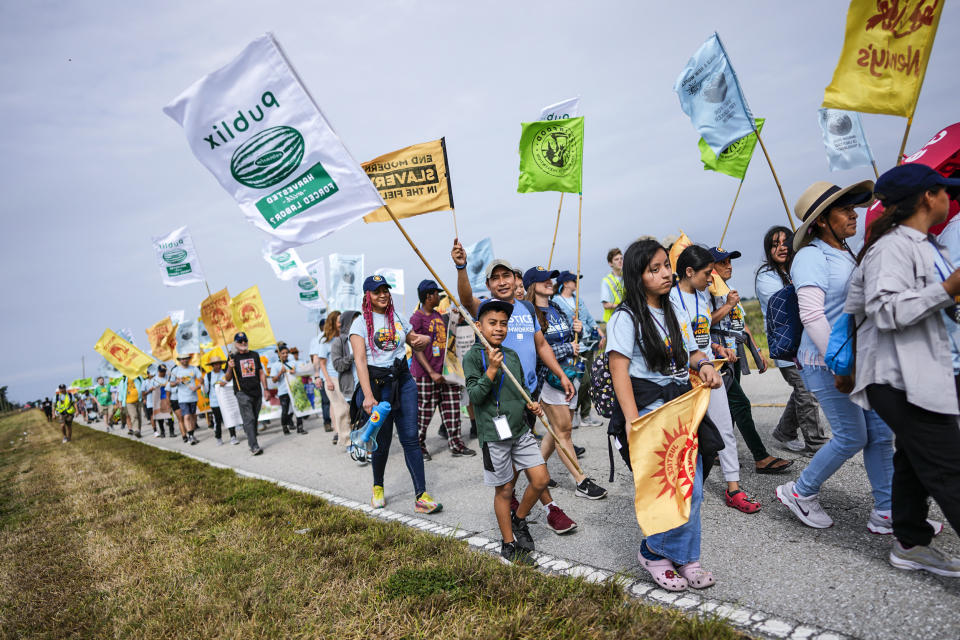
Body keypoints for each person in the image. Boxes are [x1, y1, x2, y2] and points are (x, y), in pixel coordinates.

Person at [844, 164, 958, 574]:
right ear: (928, 196)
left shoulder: (928, 245)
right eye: (944, 190)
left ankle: (909, 541)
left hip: (926, 369)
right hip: (899, 376)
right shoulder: (891, 248)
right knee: (949, 466)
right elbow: (884, 308)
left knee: (914, 458)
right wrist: (946, 290)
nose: (950, 197)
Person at [776, 179, 896, 531]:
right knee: (851, 436)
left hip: (858, 359)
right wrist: (841, 362)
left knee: (879, 432)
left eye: (853, 207)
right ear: (822, 221)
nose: (853, 214)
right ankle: (801, 491)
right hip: (828, 362)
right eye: (844, 209)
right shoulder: (812, 256)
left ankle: (887, 511)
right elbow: (812, 315)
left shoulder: (845, 251)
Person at [606, 239, 723, 591]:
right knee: (667, 489)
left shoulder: (674, 308)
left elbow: (690, 352)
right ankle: (654, 553)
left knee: (694, 487)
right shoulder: (625, 317)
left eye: (665, 266)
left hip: (682, 407)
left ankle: (684, 556)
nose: (664, 274)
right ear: (637, 277)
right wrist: (631, 421)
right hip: (651, 413)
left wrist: (703, 365)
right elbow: (619, 369)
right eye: (653, 269)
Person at [452, 240, 579, 534]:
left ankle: (520, 509)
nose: (501, 281)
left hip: (528, 393)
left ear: (515, 280)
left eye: (506, 275)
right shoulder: (486, 309)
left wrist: (560, 374)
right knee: (516, 463)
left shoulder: (525, 308)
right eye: (495, 278)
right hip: (500, 397)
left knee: (524, 459)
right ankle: (544, 509)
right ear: (489, 284)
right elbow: (466, 297)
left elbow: (540, 343)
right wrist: (461, 267)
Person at [672, 246, 761, 513]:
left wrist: (716, 348)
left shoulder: (701, 297)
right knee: (686, 437)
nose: (711, 278)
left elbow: (701, 330)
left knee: (725, 429)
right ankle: (681, 489)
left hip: (711, 371)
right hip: (686, 377)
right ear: (689, 272)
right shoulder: (672, 300)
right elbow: (681, 340)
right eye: (707, 273)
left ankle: (733, 488)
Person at [464, 298, 550, 565]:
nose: (499, 328)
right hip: (494, 435)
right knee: (505, 489)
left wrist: (531, 404)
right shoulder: (472, 357)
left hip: (520, 430)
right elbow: (475, 396)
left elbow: (520, 390)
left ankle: (520, 519)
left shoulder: (510, 355)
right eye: (492, 323)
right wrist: (490, 369)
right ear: (479, 326)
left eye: (503, 323)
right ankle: (508, 542)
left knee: (541, 479)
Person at [350, 275, 441, 513]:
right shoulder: (359, 324)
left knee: (411, 437)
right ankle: (378, 487)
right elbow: (360, 361)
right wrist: (368, 396)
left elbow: (413, 341)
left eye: (385, 290)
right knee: (382, 441)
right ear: (367, 295)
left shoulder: (398, 318)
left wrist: (423, 339)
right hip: (378, 387)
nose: (383, 294)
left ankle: (421, 496)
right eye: (376, 291)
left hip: (404, 382)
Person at [710, 247, 793, 475]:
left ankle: (717, 450)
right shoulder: (707, 292)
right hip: (720, 356)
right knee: (741, 403)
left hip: (737, 352)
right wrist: (727, 305)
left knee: (731, 406)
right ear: (711, 268)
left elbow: (741, 324)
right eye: (722, 262)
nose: (729, 266)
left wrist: (756, 350)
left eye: (730, 261)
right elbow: (703, 323)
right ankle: (761, 457)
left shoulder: (730, 291)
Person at [525, 266, 607, 499]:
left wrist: (575, 330)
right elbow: (538, 349)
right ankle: (581, 481)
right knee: (564, 432)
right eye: (544, 280)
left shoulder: (557, 307)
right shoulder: (530, 313)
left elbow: (570, 337)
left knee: (558, 430)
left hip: (571, 375)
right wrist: (567, 347)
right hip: (550, 379)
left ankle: (537, 469)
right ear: (533, 285)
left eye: (550, 279)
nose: (550, 282)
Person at [754, 226, 827, 453]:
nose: (782, 248)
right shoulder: (766, 277)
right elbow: (789, 300)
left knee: (803, 389)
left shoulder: (797, 267)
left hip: (807, 341)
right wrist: (804, 281)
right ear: (768, 250)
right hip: (787, 346)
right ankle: (816, 443)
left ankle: (784, 432)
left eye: (786, 242)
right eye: (775, 244)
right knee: (807, 391)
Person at [411, 279, 475, 459]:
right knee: (424, 412)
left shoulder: (438, 317)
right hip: (426, 375)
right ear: (428, 296)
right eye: (436, 294)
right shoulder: (417, 318)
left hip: (445, 373)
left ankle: (456, 444)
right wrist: (431, 372)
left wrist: (457, 319)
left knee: (452, 409)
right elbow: (416, 347)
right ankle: (419, 446)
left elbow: (448, 337)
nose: (439, 297)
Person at [553, 270, 603, 427]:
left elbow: (588, 317)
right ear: (566, 283)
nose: (576, 283)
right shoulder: (556, 301)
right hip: (575, 347)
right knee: (583, 381)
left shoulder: (578, 300)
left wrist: (599, 332)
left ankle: (586, 415)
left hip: (588, 344)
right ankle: (572, 411)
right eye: (574, 280)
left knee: (591, 380)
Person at [224, 332, 266, 456]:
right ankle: (254, 446)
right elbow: (227, 378)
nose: (243, 343)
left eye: (245, 341)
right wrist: (230, 367)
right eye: (240, 341)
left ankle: (251, 433)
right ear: (235, 344)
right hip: (242, 392)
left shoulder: (254, 355)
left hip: (256, 391)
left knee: (254, 418)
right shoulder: (232, 357)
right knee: (249, 418)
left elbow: (261, 372)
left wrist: (266, 388)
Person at [315, 312, 350, 445]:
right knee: (340, 410)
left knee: (348, 409)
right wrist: (327, 380)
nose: (341, 323)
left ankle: (351, 436)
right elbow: (322, 363)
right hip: (332, 379)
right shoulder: (325, 342)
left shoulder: (345, 338)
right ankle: (347, 441)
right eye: (339, 321)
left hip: (346, 377)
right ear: (333, 323)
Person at [330, 310, 360, 449]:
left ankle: (365, 444)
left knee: (365, 417)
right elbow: (338, 365)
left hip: (366, 385)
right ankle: (350, 443)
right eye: (354, 320)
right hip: (349, 387)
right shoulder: (339, 342)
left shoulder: (362, 337)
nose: (358, 323)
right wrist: (353, 355)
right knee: (350, 417)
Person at [271, 342, 307, 435]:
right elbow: (274, 380)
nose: (285, 354)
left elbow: (300, 374)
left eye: (286, 353)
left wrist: (295, 372)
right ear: (279, 354)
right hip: (283, 391)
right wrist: (280, 372)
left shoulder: (293, 363)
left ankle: (300, 427)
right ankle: (285, 427)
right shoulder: (275, 365)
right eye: (283, 353)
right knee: (285, 411)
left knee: (298, 408)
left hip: (294, 390)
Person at [203, 355, 237, 445]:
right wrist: (203, 385)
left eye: (219, 364)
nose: (218, 366)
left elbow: (230, 382)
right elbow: (206, 391)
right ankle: (218, 437)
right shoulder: (208, 376)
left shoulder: (225, 373)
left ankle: (233, 436)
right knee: (217, 421)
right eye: (215, 364)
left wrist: (225, 382)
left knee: (229, 418)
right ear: (212, 365)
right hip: (215, 402)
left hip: (226, 400)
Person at [170, 355, 202, 445]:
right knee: (186, 416)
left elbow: (201, 380)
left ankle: (192, 434)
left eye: (186, 358)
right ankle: (190, 436)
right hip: (182, 398)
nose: (184, 360)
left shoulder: (194, 369)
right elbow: (171, 384)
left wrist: (197, 387)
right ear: (179, 360)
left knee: (192, 416)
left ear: (189, 359)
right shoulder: (175, 370)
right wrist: (176, 382)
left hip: (193, 397)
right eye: (182, 359)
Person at [601, 248, 625, 323]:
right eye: (616, 259)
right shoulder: (606, 281)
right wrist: (623, 306)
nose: (620, 261)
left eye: (621, 258)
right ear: (610, 263)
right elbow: (606, 305)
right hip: (612, 320)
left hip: (625, 318)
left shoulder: (627, 278)